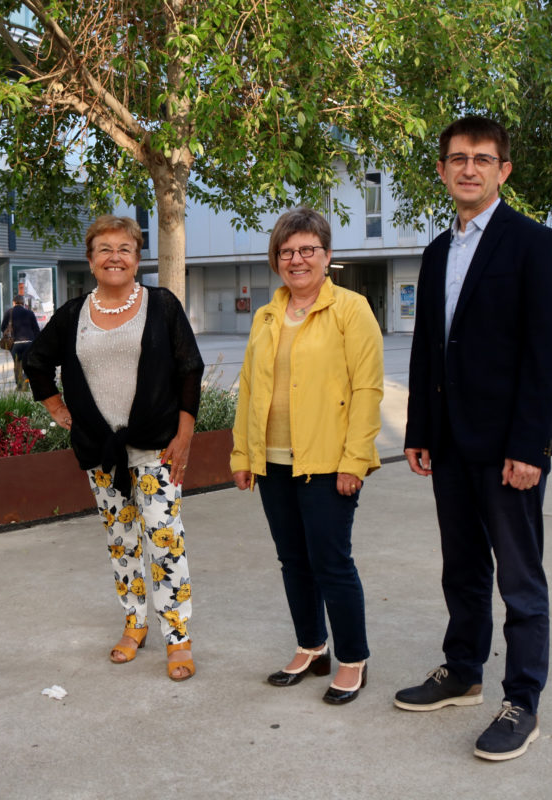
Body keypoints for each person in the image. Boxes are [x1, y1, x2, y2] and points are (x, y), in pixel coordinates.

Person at [399, 116, 552, 761]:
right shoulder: (438, 250)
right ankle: (462, 669)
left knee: (520, 582)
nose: (469, 168)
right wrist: (419, 430)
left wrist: (530, 447)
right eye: (458, 158)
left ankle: (520, 699)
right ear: (442, 170)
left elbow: (545, 354)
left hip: (509, 452)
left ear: (504, 171)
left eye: (483, 158)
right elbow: (427, 349)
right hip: (449, 446)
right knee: (461, 569)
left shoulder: (534, 245)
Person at [23, 214, 204, 682]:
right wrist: (58, 410)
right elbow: (37, 361)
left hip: (157, 448)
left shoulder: (161, 305)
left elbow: (189, 368)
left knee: (165, 543)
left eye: (124, 248)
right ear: (90, 259)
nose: (115, 257)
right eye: (104, 248)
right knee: (122, 543)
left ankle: (177, 637)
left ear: (138, 258)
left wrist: (185, 432)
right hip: (102, 451)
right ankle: (134, 623)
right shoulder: (73, 314)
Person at [230, 207, 384, 706]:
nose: (297, 260)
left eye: (307, 250)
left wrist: (354, 459)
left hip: (326, 461)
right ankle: (311, 646)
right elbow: (249, 388)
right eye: (287, 251)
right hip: (272, 461)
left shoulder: (351, 309)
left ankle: (352, 658)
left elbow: (367, 388)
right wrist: (242, 453)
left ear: (326, 255)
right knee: (293, 560)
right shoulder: (267, 314)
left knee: (331, 561)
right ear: (276, 259)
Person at [0, 294, 40, 391]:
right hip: (29, 342)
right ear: (23, 303)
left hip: (15, 343)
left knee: (17, 365)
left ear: (14, 302)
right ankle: (26, 383)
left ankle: (19, 386)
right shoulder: (30, 313)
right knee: (27, 364)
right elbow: (36, 330)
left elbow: (3, 328)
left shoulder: (9, 313)